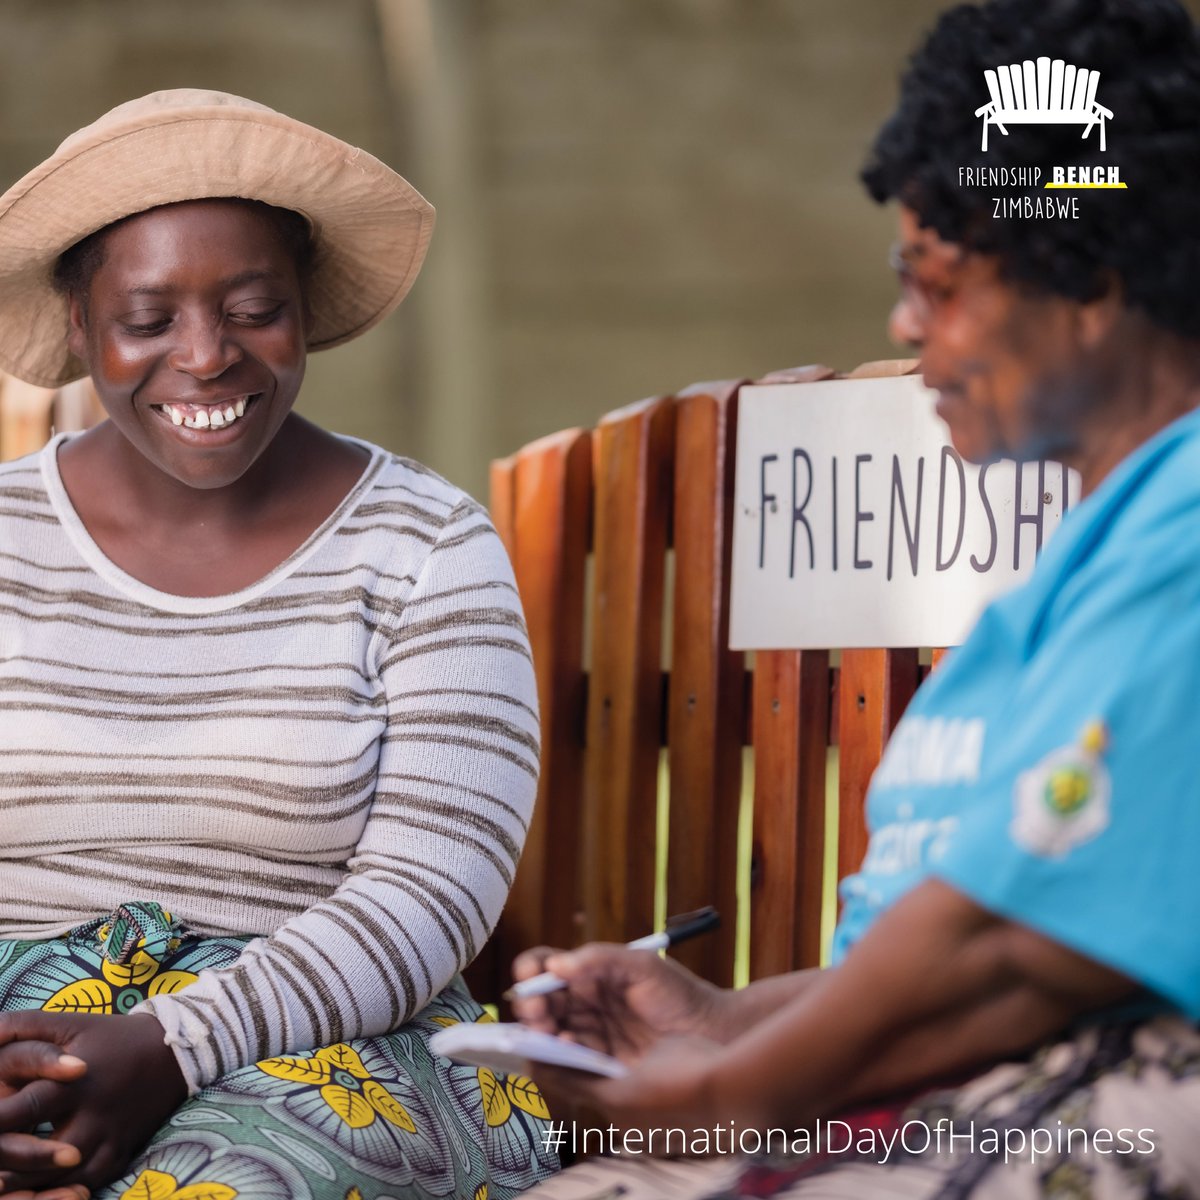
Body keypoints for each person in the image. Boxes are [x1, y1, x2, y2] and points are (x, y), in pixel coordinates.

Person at [510, 1, 1200, 1196]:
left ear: (1087, 278)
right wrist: (724, 1022)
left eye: (936, 282)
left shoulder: (1185, 533)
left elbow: (1014, 952)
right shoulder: (1093, 551)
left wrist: (732, 1094)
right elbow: (996, 922)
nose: (904, 324)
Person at [0, 90, 559, 1199]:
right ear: (82, 328)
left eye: (253, 308)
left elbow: (430, 899)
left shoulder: (426, 547)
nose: (205, 358)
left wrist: (169, 1048)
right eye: (149, 317)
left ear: (302, 310)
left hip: (322, 1037)